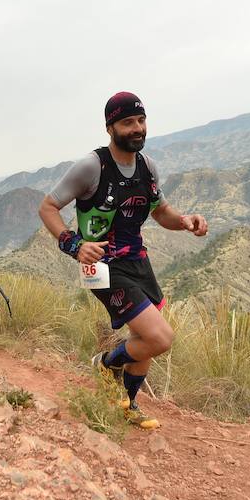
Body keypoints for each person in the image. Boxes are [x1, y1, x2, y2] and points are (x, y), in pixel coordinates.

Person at [38, 92, 208, 429]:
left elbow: (160, 211)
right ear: (110, 126)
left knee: (144, 339)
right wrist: (73, 245)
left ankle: (127, 405)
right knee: (159, 337)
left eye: (141, 121)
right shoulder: (92, 166)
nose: (137, 128)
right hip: (101, 266)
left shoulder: (147, 166)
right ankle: (106, 363)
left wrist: (186, 222)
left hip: (137, 262)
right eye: (128, 122)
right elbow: (47, 207)